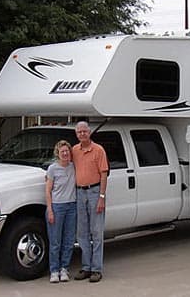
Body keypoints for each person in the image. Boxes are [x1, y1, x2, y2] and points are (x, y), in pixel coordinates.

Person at [72, 121, 108, 283]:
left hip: (94, 192)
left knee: (96, 232)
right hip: (80, 193)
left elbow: (103, 174)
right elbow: (65, 164)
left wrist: (101, 197)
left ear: (90, 132)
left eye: (84, 132)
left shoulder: (98, 150)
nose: (82, 134)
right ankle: (86, 267)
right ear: (76, 134)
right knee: (82, 233)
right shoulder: (75, 150)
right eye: (79, 132)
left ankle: (96, 269)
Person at [45, 140, 77, 283]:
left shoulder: (73, 167)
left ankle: (64, 268)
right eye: (62, 151)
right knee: (55, 241)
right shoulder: (52, 169)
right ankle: (54, 270)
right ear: (57, 153)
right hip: (57, 207)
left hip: (72, 207)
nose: (65, 153)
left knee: (69, 241)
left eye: (67, 151)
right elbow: (48, 191)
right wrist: (50, 210)